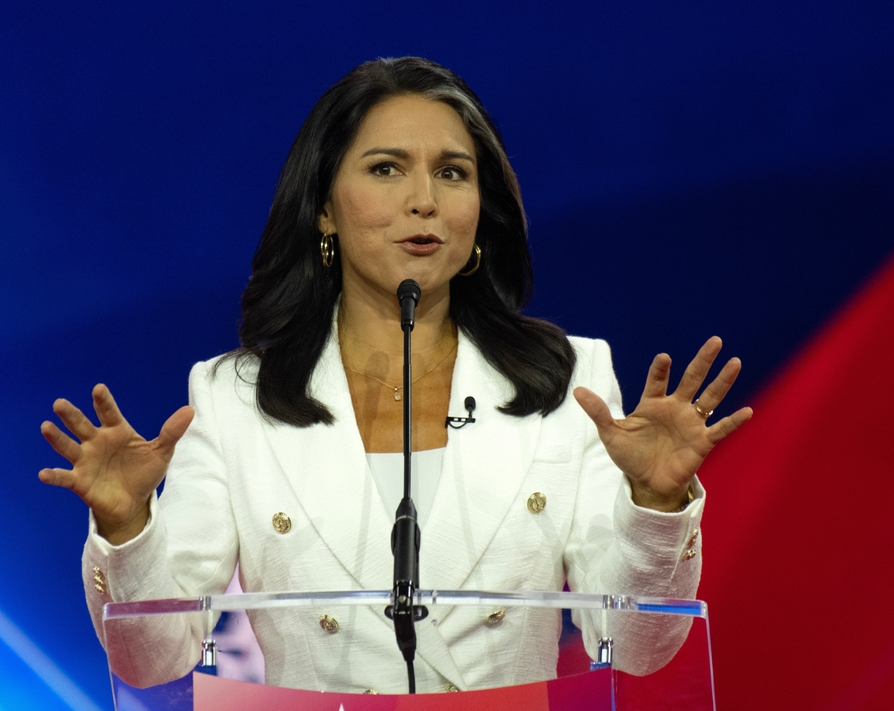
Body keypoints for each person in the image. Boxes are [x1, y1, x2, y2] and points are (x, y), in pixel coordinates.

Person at [39, 57, 752, 694]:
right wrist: (126, 525)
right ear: (324, 207)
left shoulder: (569, 379)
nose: (425, 200)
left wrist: (655, 506)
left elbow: (636, 647)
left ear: (480, 211)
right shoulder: (234, 398)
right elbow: (153, 662)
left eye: (452, 172)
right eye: (386, 168)